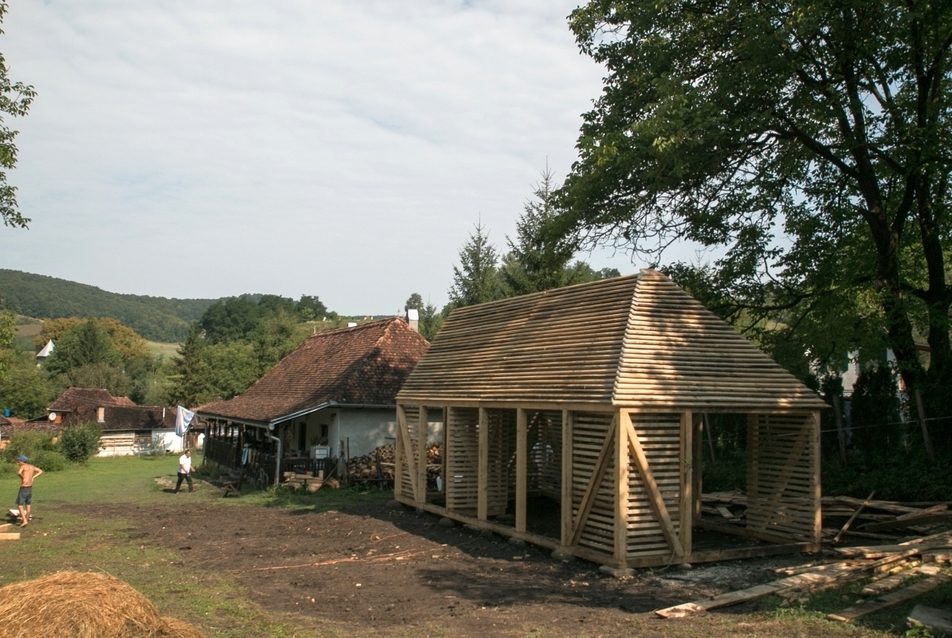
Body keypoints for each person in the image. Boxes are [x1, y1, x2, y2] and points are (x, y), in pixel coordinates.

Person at [15, 455, 43, 527]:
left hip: (24, 487)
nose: (18, 462)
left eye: (19, 461)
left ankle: (24, 521)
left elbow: (18, 473)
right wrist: (33, 477)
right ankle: (26, 519)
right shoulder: (32, 467)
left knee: (19, 506)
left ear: (22, 461)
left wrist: (22, 478)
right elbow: (40, 471)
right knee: (28, 504)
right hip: (30, 487)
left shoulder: (23, 466)